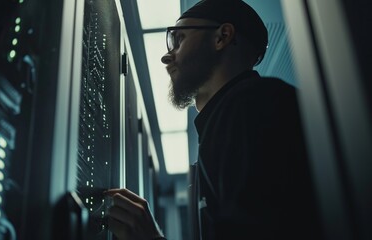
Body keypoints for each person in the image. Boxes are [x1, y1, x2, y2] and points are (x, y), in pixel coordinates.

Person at [105, 0, 322, 239]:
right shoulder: (228, 119)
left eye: (178, 40)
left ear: (222, 37)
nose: (166, 58)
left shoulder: (253, 106)